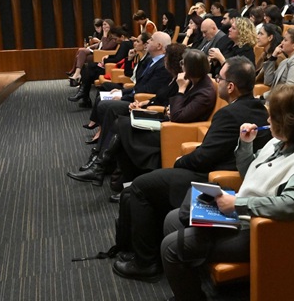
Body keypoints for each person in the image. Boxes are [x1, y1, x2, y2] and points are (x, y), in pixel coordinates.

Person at [154, 84, 294, 301]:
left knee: (172, 247)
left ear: (288, 121)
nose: (267, 120)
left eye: (272, 116)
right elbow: (254, 173)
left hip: (265, 231)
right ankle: (188, 299)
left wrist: (237, 204)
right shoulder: (280, 141)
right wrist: (246, 146)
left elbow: (292, 205)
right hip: (246, 216)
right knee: (173, 219)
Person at [111, 58, 271, 281]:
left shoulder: (229, 114)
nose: (217, 81)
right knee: (137, 190)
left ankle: (145, 263)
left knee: (140, 186)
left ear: (231, 87)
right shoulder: (258, 109)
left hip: (212, 179)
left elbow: (204, 157)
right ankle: (138, 250)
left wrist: (179, 161)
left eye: (221, 78)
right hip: (221, 173)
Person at [108, 49, 218, 191]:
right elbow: (176, 109)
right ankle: (122, 179)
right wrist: (168, 108)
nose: (181, 66)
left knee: (123, 128)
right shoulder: (195, 82)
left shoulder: (204, 91)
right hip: (169, 123)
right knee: (122, 125)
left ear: (190, 67)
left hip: (178, 132)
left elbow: (179, 116)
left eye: (183, 63)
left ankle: (112, 171)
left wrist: (180, 90)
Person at [262, 27, 294, 98]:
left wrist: (263, 96)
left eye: (285, 40)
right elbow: (268, 82)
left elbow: (289, 90)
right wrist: (273, 57)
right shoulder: (285, 61)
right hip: (276, 100)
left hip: (285, 104)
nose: (281, 43)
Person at [68, 19, 118, 87]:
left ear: (110, 25)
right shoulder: (106, 35)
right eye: (103, 24)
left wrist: (105, 35)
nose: (104, 26)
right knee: (81, 52)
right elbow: (99, 44)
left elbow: (105, 47)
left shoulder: (113, 36)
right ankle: (78, 75)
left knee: (81, 55)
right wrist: (90, 47)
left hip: (102, 55)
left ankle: (77, 74)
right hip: (98, 52)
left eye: (106, 24)